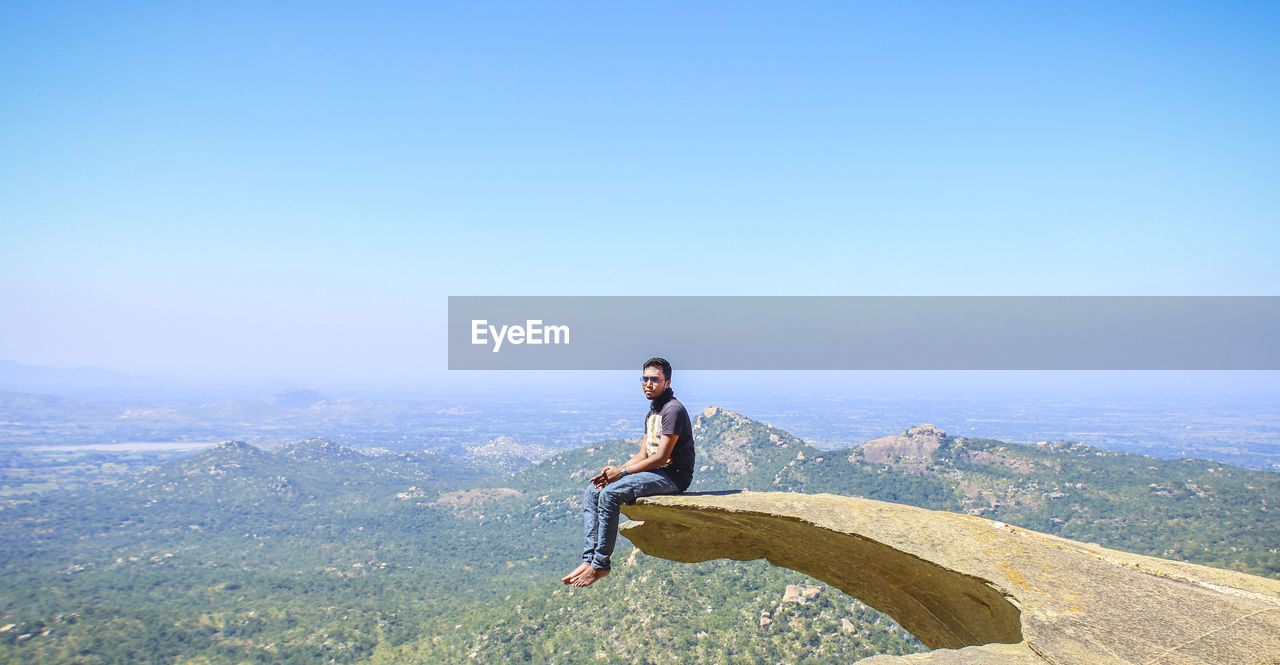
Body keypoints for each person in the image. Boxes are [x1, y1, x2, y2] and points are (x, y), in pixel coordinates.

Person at [562, 357, 695, 587]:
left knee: (610, 495)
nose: (648, 384)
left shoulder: (672, 410)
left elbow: (661, 457)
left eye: (655, 379)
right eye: (645, 379)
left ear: (667, 382)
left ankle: (601, 564)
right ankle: (589, 559)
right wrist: (613, 472)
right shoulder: (653, 411)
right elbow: (643, 454)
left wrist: (622, 473)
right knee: (594, 490)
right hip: (655, 472)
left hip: (672, 476)